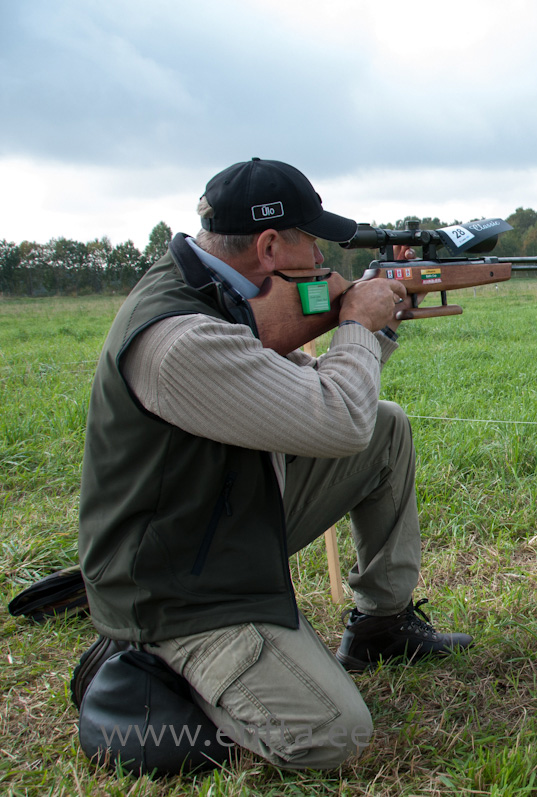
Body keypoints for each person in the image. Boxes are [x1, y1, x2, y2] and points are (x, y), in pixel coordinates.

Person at [75, 157, 472, 769]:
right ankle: (150, 662)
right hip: (177, 585)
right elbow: (337, 420)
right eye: (310, 242)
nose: (319, 258)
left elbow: (307, 392)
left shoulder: (215, 292)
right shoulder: (183, 336)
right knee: (333, 733)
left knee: (385, 427)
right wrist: (357, 324)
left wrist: (375, 326)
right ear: (267, 247)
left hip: (221, 521)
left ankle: (382, 627)